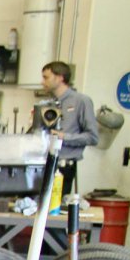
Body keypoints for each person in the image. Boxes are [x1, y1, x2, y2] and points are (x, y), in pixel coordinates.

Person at [29, 60, 98, 197]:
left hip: (63, 167)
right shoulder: (48, 104)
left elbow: (92, 137)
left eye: (46, 77)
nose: (42, 82)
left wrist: (63, 137)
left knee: (54, 212)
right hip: (42, 165)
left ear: (60, 77)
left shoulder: (81, 101)